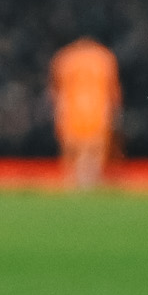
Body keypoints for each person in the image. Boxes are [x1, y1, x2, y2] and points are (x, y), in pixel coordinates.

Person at [49, 37, 121, 189]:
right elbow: (113, 91)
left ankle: (74, 181)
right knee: (93, 146)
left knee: (74, 146)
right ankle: (89, 180)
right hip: (97, 107)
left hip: (72, 107)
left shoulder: (65, 57)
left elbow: (56, 90)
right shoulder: (103, 57)